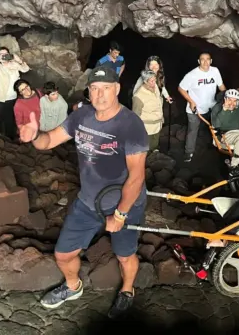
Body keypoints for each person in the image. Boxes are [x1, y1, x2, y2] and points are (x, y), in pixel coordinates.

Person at [18, 66, 148, 319]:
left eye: (106, 88)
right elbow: (49, 141)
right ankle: (72, 287)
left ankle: (127, 290)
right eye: (94, 89)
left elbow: (136, 177)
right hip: (88, 202)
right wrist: (34, 135)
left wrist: (120, 215)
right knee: (63, 254)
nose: (99, 95)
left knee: (125, 255)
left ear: (117, 89)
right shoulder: (82, 116)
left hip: (125, 204)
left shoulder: (131, 125)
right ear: (88, 91)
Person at [177, 52, 226, 162]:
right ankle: (188, 153)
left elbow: (221, 86)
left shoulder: (215, 71)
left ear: (211, 61)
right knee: (192, 130)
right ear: (199, 61)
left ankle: (218, 148)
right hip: (195, 109)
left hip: (211, 106)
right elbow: (181, 88)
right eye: (202, 59)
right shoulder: (192, 75)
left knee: (216, 127)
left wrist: (228, 96)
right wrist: (190, 101)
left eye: (207, 59)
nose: (205, 62)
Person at [0, 46, 30, 140]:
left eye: (5, 54)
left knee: (10, 118)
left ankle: (9, 137)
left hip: (12, 97)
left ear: (9, 55)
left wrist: (19, 60)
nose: (3, 56)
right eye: (1, 54)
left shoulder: (14, 64)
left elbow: (25, 69)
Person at [210, 89, 239, 167]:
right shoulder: (217, 108)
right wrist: (224, 110)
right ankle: (234, 166)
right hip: (225, 134)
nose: (232, 103)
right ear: (225, 99)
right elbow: (215, 125)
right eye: (229, 100)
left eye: (235, 101)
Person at [132, 70, 164, 152]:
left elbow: (159, 102)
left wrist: (161, 116)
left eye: (155, 79)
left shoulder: (155, 87)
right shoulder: (138, 96)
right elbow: (135, 116)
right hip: (147, 128)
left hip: (157, 125)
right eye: (152, 81)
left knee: (155, 145)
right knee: (146, 149)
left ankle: (154, 155)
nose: (154, 82)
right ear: (145, 81)